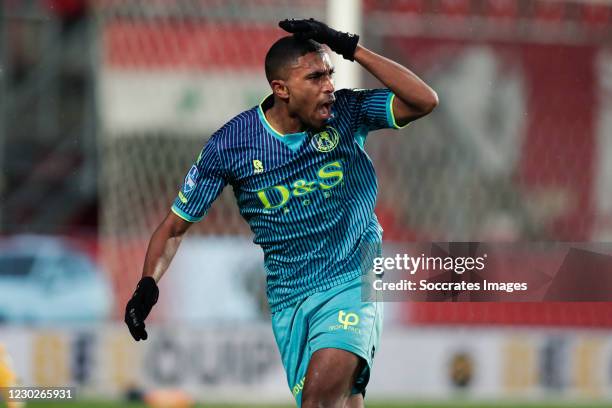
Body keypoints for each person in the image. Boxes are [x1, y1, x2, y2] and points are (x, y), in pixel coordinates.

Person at [125, 18, 438, 408]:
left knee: (318, 403)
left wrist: (351, 47)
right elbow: (175, 227)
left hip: (354, 273)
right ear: (281, 89)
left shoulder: (348, 112)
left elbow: (424, 101)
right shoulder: (232, 145)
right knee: (345, 402)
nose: (328, 87)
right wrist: (147, 285)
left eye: (330, 74)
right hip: (290, 296)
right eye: (315, 78)